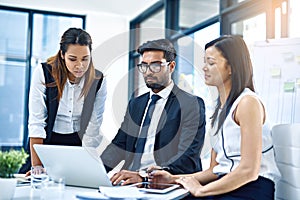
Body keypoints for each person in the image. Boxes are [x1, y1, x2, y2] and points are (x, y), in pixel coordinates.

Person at [149, 35, 281, 199]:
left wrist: (200, 190)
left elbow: (249, 170)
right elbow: (214, 170)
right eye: (205, 62)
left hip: (251, 188)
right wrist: (173, 179)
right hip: (225, 184)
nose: (204, 68)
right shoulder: (220, 110)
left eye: (211, 63)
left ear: (231, 67)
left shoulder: (248, 103)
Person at [100, 39, 206, 186]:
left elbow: (187, 158)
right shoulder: (136, 104)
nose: (148, 71)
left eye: (156, 65)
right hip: (132, 182)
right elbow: (119, 145)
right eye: (144, 66)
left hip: (167, 184)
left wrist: (143, 176)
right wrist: (95, 172)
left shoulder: (190, 104)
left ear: (171, 66)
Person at [22, 27, 107, 175]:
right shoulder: (43, 73)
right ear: (62, 54)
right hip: (45, 144)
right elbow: (36, 122)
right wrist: (37, 166)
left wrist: (85, 163)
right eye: (73, 59)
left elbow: (93, 127)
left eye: (85, 59)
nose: (80, 65)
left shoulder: (98, 80)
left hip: (78, 146)